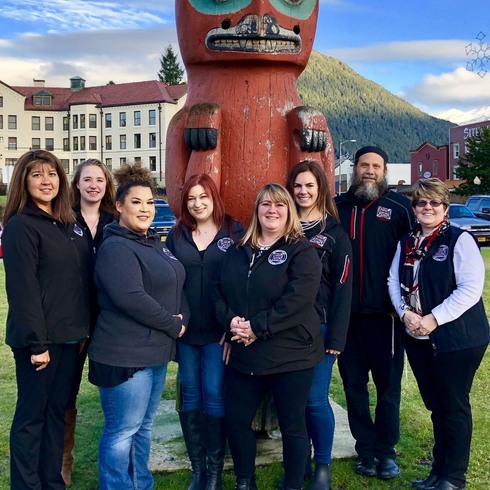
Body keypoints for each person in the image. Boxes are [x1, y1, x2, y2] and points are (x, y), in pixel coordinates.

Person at [215, 183, 323, 490]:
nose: (271, 210)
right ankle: (245, 481)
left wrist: (256, 328)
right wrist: (231, 321)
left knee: (292, 424)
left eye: (279, 205)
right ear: (256, 210)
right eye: (265, 205)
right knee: (236, 420)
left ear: (288, 211)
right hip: (245, 354)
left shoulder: (301, 251)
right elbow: (217, 291)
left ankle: (292, 483)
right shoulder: (238, 249)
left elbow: (298, 300)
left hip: (290, 354)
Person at [87, 163, 189, 490]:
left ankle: (140, 485)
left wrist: (181, 316)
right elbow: (132, 298)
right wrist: (173, 326)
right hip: (125, 358)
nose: (145, 209)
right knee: (121, 433)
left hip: (153, 355)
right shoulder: (116, 246)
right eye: (136, 202)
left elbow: (176, 282)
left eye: (149, 203)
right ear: (119, 206)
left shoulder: (153, 243)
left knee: (142, 429)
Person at [388, 178, 489, 490]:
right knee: (435, 405)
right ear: (415, 208)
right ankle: (437, 471)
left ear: (445, 208)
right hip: (418, 338)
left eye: (434, 202)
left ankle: (453, 477)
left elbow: (471, 288)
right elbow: (393, 279)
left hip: (457, 339)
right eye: (421, 202)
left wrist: (433, 318)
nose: (427, 207)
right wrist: (404, 312)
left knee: (453, 406)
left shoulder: (460, 240)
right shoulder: (407, 242)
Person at [3, 150, 90, 490]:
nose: (46, 181)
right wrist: (37, 344)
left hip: (70, 340)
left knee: (56, 416)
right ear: (23, 181)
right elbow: (23, 290)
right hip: (39, 344)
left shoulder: (68, 225)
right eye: (37, 174)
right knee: (31, 419)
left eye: (51, 174)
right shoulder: (21, 226)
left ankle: (50, 481)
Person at [335, 146, 415, 480]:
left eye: (376, 166)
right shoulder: (337, 207)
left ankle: (386, 451)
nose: (370, 170)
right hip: (347, 318)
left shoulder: (400, 208)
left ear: (384, 171)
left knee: (388, 388)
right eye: (364, 165)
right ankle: (364, 449)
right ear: (355, 168)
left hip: (387, 319)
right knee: (353, 387)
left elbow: (414, 256)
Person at [166, 174, 244, 490]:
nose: (197, 204)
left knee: (213, 393)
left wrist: (232, 326)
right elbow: (170, 280)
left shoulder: (233, 231)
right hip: (186, 332)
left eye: (203, 197)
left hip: (218, 333)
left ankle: (214, 471)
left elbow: (241, 283)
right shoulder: (177, 234)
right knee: (190, 395)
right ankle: (197, 469)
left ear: (214, 198)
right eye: (191, 199)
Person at [286, 161, 352, 489]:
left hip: (321, 330)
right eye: (298, 185)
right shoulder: (281, 228)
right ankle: (297, 460)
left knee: (314, 399)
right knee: (291, 401)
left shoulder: (334, 234)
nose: (303, 191)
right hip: (283, 330)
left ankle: (322, 464)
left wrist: (337, 336)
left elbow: (344, 287)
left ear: (321, 189)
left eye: (310, 185)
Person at [62, 159, 116, 485]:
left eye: (99, 179)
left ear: (106, 185)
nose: (94, 185)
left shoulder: (116, 221)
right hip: (74, 319)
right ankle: (63, 459)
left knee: (113, 389)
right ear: (78, 185)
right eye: (88, 180)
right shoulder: (64, 220)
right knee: (66, 391)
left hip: (109, 321)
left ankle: (118, 458)